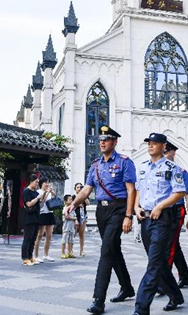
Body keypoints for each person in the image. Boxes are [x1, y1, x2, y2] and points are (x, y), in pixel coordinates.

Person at [64, 125, 136, 315]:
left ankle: (98, 299)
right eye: (100, 140)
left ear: (114, 142)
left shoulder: (124, 162)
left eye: (106, 140)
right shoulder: (95, 165)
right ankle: (127, 287)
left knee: (106, 251)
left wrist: (129, 215)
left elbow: (131, 190)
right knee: (113, 249)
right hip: (101, 211)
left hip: (118, 209)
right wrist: (75, 204)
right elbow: (87, 189)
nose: (102, 143)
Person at [133, 133, 186, 314]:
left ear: (163, 146)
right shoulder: (142, 168)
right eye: (149, 143)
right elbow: (139, 190)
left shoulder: (171, 167)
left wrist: (161, 206)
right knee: (158, 261)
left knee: (154, 263)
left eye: (155, 143)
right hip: (145, 219)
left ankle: (141, 308)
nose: (150, 146)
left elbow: (179, 192)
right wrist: (135, 207)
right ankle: (176, 296)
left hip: (163, 219)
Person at [163, 141, 188, 288]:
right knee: (172, 245)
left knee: (169, 245)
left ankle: (165, 282)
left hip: (176, 211)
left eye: (167, 152)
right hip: (162, 212)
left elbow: (187, 196)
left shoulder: (181, 171)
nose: (165, 155)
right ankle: (184, 276)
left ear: (173, 153)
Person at [33, 177, 56, 263]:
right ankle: (35, 255)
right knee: (39, 235)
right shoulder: (38, 192)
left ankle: (46, 254)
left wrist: (52, 193)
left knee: (49, 236)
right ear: (41, 184)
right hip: (42, 214)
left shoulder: (49, 192)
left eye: (48, 182)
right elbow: (42, 202)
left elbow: (53, 200)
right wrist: (47, 193)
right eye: (45, 182)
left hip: (49, 213)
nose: (47, 184)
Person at [22, 174, 42, 266]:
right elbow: (29, 204)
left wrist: (44, 193)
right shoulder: (26, 191)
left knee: (33, 238)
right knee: (27, 238)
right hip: (29, 217)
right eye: (36, 182)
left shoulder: (35, 192)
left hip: (36, 216)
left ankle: (30, 256)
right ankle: (25, 257)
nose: (37, 184)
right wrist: (37, 198)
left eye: (38, 182)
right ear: (31, 181)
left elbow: (41, 201)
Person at [74, 182, 90, 256]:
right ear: (75, 189)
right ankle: (70, 249)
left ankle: (81, 250)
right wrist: (77, 205)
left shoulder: (84, 196)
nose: (79, 188)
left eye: (80, 187)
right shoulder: (73, 197)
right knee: (73, 233)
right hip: (75, 216)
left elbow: (88, 203)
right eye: (77, 187)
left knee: (81, 233)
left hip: (83, 216)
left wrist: (84, 195)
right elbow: (70, 205)